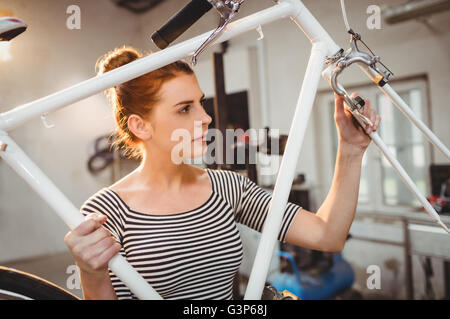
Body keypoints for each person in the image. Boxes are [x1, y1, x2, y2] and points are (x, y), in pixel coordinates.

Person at [64, 45, 381, 300]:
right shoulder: (105, 211)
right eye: (185, 108)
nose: (205, 117)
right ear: (140, 125)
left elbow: (327, 235)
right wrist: (90, 273)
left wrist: (351, 151)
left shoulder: (227, 187)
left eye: (200, 103)